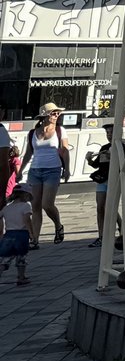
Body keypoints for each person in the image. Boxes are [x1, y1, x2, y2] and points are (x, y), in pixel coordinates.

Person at [20, 105, 67, 246]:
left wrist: (67, 169)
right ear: (45, 115)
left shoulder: (60, 130)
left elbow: (65, 150)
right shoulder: (33, 133)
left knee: (47, 204)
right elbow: (29, 153)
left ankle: (58, 225)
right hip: (35, 170)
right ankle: (35, 239)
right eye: (54, 113)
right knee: (35, 205)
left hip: (53, 170)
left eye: (58, 113)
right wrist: (20, 170)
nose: (56, 115)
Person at [86, 123, 117, 247]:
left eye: (111, 133)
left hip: (114, 180)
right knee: (100, 207)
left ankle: (111, 234)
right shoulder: (104, 147)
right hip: (103, 179)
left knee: (111, 208)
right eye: (107, 133)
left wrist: (113, 157)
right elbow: (96, 164)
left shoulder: (122, 147)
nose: (109, 135)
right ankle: (101, 236)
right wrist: (89, 159)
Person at [0, 186, 32, 285]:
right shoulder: (26, 206)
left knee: (4, 258)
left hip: (9, 234)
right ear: (26, 195)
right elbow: (27, 220)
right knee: (21, 257)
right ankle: (21, 277)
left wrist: (1, 232)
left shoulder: (6, 208)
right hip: (21, 234)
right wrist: (31, 233)